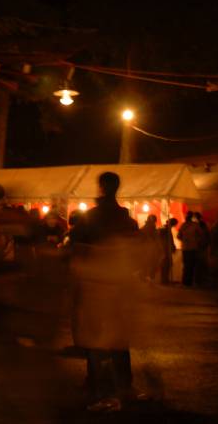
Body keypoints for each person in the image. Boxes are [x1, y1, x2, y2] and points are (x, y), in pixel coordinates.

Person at [68, 172, 144, 413]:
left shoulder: (91, 218)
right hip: (120, 285)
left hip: (95, 284)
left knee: (95, 339)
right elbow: (136, 253)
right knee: (119, 338)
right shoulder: (126, 220)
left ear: (101, 187)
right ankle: (124, 385)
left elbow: (75, 246)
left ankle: (99, 388)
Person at [178, 212, 202, 286]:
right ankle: (188, 282)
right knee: (190, 265)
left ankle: (186, 282)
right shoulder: (194, 225)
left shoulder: (184, 225)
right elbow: (200, 235)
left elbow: (179, 236)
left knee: (188, 265)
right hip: (191, 248)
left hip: (188, 248)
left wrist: (185, 240)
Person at [139, 215, 162, 282]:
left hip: (149, 248)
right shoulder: (148, 228)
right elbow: (154, 238)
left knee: (150, 263)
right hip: (149, 248)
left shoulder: (146, 228)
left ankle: (147, 277)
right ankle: (147, 277)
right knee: (150, 263)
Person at [158, 217, 178, 284]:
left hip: (166, 249)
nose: (174, 226)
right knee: (165, 264)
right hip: (165, 250)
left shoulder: (166, 229)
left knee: (168, 264)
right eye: (174, 224)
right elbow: (164, 240)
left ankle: (165, 279)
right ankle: (164, 280)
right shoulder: (164, 229)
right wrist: (171, 246)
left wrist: (172, 246)